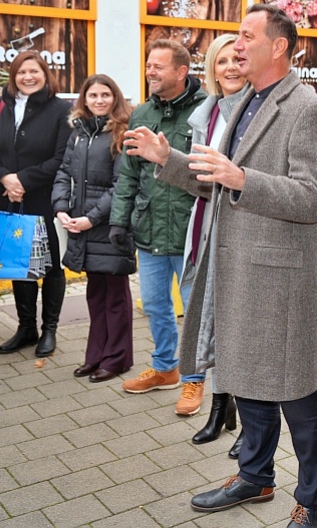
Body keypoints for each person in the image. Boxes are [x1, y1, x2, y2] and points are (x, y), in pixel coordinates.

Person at [154, 4, 317, 528]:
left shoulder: (307, 109)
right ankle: (255, 476)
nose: (236, 45)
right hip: (239, 271)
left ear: (278, 46)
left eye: (247, 35)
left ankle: (316, 503)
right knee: (248, 380)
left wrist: (242, 179)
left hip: (280, 279)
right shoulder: (245, 102)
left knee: (298, 396)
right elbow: (218, 183)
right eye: (237, 34)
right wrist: (168, 160)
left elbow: (311, 199)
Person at [120, 34, 249, 452]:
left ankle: (237, 415)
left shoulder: (251, 109)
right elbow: (199, 179)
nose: (230, 67)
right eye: (221, 61)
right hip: (196, 227)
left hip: (231, 233)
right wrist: (164, 161)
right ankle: (217, 404)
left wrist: (168, 161)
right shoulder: (206, 114)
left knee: (222, 323)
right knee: (183, 312)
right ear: (210, 68)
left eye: (237, 59)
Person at [109, 39, 207, 415]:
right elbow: (129, 175)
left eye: (158, 66)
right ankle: (166, 368)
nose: (150, 71)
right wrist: (119, 220)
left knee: (194, 309)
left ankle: (195, 378)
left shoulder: (205, 111)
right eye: (148, 65)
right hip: (150, 228)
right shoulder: (141, 114)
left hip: (189, 229)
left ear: (181, 71)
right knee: (154, 304)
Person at [0, 51, 72, 358]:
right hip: (8, 197)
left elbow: (62, 157)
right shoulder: (1, 105)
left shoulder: (61, 109)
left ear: (45, 74)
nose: (27, 77)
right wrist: (5, 178)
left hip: (44, 198)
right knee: (18, 264)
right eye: (21, 72)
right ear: (13, 76)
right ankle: (26, 328)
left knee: (51, 265)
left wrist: (23, 180)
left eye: (34, 71)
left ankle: (49, 330)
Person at [52, 75, 135, 383]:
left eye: (105, 95)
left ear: (115, 97)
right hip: (83, 224)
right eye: (93, 95)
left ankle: (117, 359)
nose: (99, 100)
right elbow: (64, 171)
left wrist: (92, 218)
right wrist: (61, 207)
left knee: (116, 297)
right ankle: (95, 355)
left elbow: (122, 185)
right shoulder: (79, 132)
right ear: (84, 100)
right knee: (95, 294)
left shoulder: (123, 131)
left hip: (110, 226)